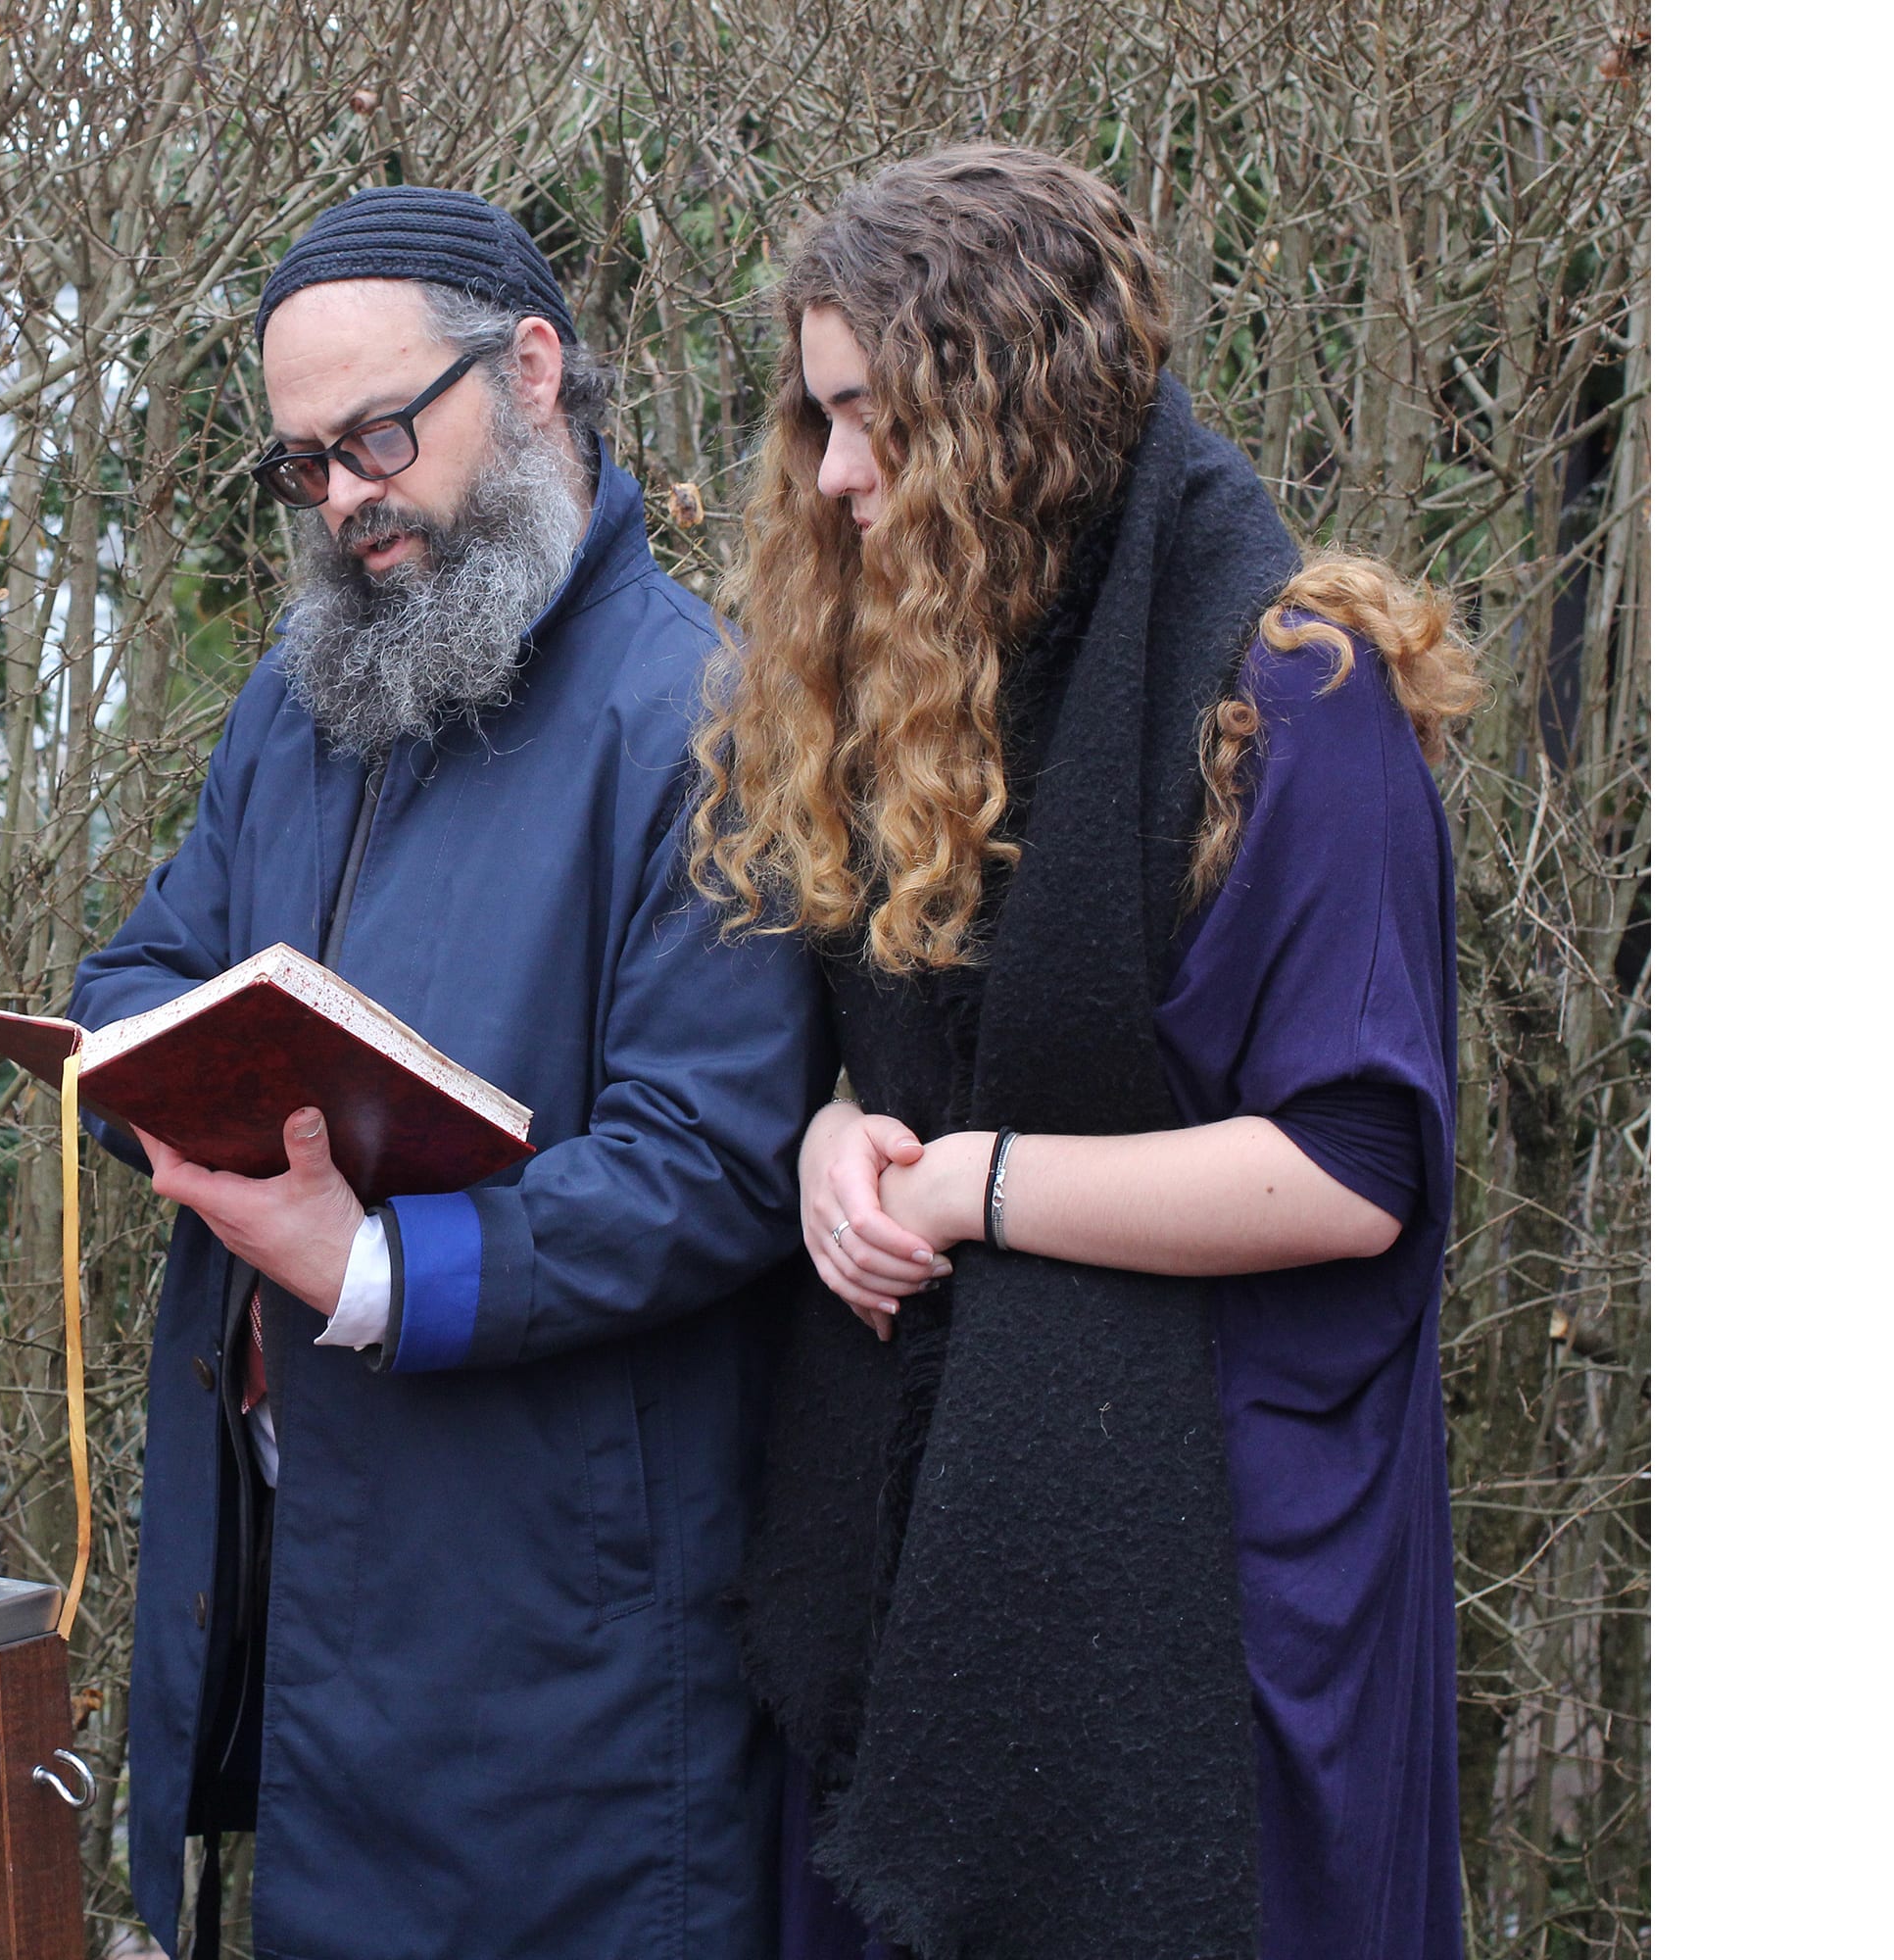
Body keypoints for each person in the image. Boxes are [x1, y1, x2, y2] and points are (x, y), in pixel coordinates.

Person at [689, 146, 1482, 1960]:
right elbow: (904, 1051)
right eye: (818, 419)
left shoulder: (1295, 694)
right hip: (920, 1524)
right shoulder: (916, 677)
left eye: (873, 419)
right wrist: (838, 1136)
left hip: (1214, 1579)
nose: (834, 476)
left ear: (1017, 412)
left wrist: (974, 1185)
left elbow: (1350, 1168)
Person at [71, 186, 827, 1960]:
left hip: (567, 1650)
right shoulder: (297, 699)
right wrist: (180, 1093)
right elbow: (142, 969)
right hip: (311, 1603)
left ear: (535, 370)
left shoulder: (705, 717)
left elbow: (714, 1160)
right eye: (304, 466)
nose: (345, 500)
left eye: (378, 438)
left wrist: (379, 1267)